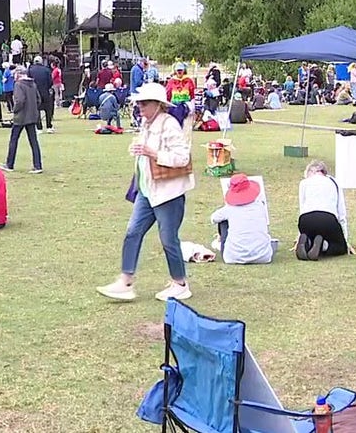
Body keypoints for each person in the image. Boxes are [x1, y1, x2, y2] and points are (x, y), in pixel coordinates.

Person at [97, 82, 195, 302]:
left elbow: (182, 158)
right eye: (138, 103)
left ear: (158, 105)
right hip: (147, 189)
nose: (139, 107)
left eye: (144, 103)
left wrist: (153, 153)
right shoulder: (146, 123)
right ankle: (126, 281)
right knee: (133, 232)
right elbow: (144, 150)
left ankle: (180, 283)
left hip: (168, 193)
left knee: (168, 239)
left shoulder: (169, 124)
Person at [295, 160, 355, 260]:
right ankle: (323, 245)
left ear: (309, 172)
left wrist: (299, 235)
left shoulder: (303, 183)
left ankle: (307, 243)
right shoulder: (334, 182)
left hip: (305, 219)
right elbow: (341, 212)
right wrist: (345, 240)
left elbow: (302, 208)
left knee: (312, 236)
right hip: (327, 219)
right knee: (340, 247)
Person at [211, 174, 273, 265]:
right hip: (264, 257)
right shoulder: (260, 205)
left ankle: (221, 242)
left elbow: (213, 218)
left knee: (223, 220)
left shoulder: (229, 209)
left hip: (233, 257)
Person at [1, 68, 43, 173]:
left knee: (14, 140)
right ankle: (38, 165)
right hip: (32, 116)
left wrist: (15, 110)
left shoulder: (18, 85)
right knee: (34, 141)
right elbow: (38, 99)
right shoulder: (33, 84)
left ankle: (9, 164)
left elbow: (19, 100)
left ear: (18, 74)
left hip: (20, 117)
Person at [28, 56, 55, 133]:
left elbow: (29, 81)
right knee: (48, 110)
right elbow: (50, 82)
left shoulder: (30, 70)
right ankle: (49, 126)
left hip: (34, 93)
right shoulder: (46, 70)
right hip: (45, 92)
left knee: (36, 110)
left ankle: (39, 128)